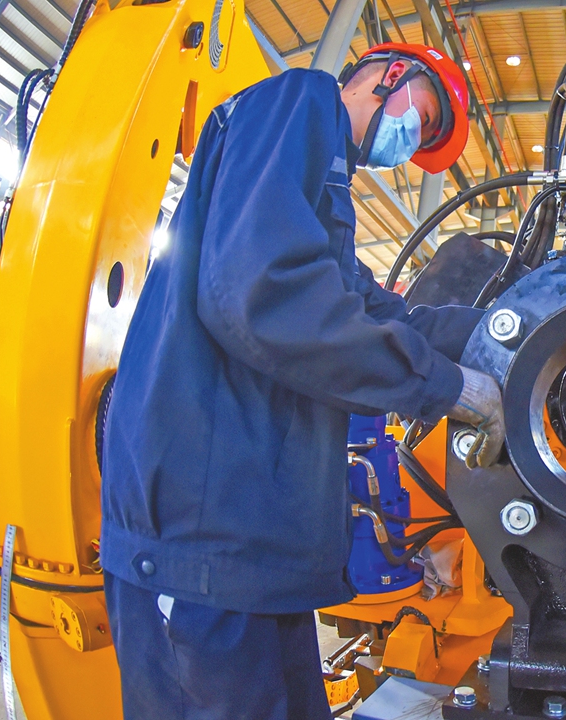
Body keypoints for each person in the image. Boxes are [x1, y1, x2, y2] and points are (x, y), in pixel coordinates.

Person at [100, 43, 504, 719]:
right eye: (421, 120)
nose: (411, 144)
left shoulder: (320, 195)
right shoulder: (299, 103)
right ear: (389, 76)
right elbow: (266, 296)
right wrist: (444, 387)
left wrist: (504, 330)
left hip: (258, 549)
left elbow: (376, 310)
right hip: (201, 543)